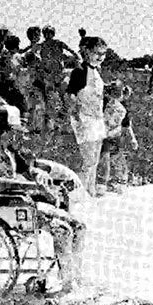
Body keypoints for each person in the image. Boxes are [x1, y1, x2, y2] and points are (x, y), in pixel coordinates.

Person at [0, 100, 85, 293]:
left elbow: (27, 169)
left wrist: (38, 175)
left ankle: (75, 277)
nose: (13, 135)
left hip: (18, 202)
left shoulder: (5, 148)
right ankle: (68, 284)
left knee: (78, 226)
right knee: (62, 230)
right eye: (10, 131)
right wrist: (31, 185)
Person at [66, 36, 109, 195]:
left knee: (95, 159)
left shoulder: (97, 71)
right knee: (88, 159)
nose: (100, 57)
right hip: (85, 119)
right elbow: (70, 94)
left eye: (103, 54)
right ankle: (80, 192)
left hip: (97, 119)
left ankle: (90, 189)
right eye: (96, 53)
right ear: (87, 52)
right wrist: (75, 115)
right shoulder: (79, 71)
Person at [99, 81, 138, 194]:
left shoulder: (122, 108)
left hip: (111, 135)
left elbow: (126, 125)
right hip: (107, 134)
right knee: (106, 158)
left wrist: (132, 139)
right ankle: (107, 183)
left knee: (112, 157)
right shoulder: (105, 102)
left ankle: (117, 182)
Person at [38, 26, 80, 133]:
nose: (47, 35)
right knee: (49, 98)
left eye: (49, 33)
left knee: (65, 95)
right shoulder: (43, 45)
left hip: (59, 74)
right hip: (48, 75)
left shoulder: (58, 43)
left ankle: (64, 118)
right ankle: (50, 123)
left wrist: (73, 57)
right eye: (46, 33)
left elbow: (72, 51)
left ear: (53, 34)